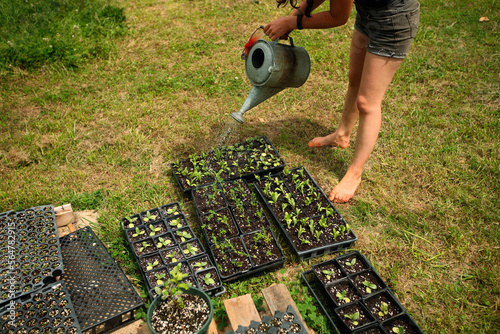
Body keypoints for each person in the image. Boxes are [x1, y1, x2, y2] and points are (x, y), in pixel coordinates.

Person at [263, 0, 420, 203]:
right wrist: (292, 17)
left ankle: (354, 174)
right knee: (355, 78)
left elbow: (338, 17)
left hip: (394, 21)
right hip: (369, 14)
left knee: (367, 102)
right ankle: (341, 135)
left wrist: (293, 23)